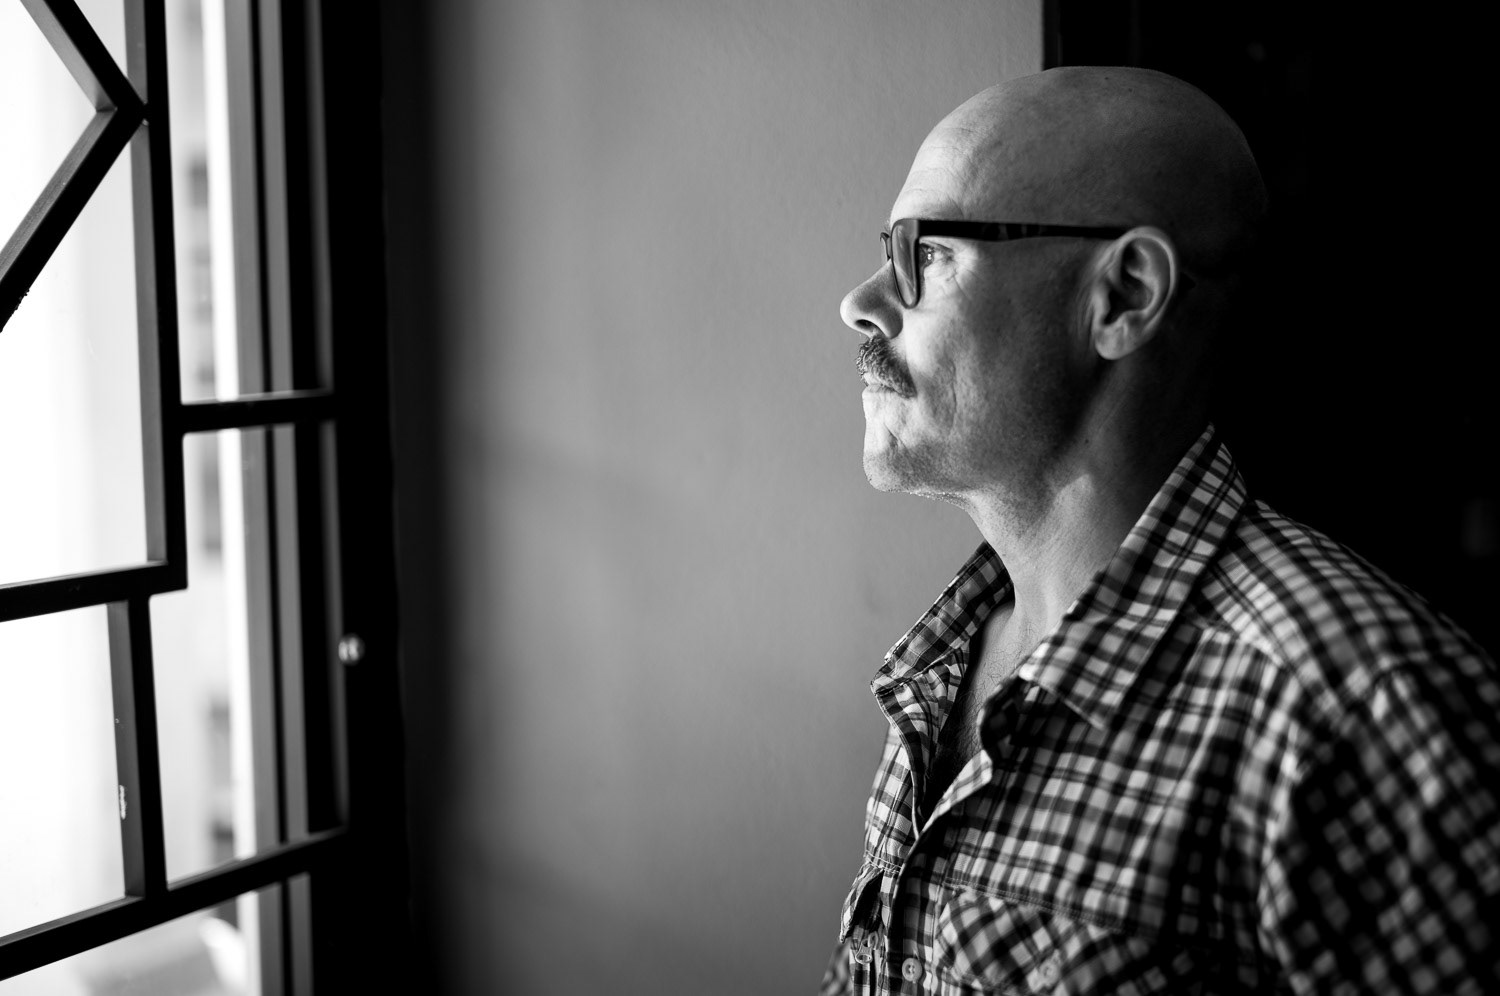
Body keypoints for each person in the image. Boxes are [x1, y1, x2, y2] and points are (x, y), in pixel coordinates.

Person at [822, 66, 1498, 995]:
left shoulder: (1356, 710)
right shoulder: (939, 674)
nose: (861, 302)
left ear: (1124, 295)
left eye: (926, 252)